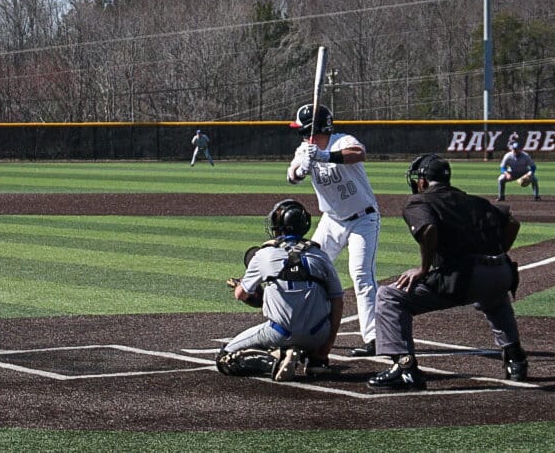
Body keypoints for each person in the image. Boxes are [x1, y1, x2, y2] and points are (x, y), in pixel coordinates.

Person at [368, 153, 528, 391]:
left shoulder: (419, 202)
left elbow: (429, 228)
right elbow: (512, 222)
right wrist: (499, 251)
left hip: (466, 278)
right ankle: (516, 358)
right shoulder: (475, 200)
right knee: (494, 298)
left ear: (422, 181)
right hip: (502, 274)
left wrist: (423, 268)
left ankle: (405, 368)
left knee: (389, 297)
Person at [286, 103, 379, 357]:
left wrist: (326, 157)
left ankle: (373, 338)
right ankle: (305, 328)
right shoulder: (305, 149)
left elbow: (359, 153)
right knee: (309, 269)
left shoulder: (342, 141)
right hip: (331, 221)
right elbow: (291, 177)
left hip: (363, 219)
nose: (302, 136)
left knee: (361, 275)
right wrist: (300, 168)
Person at [217, 199, 345, 381]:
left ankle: (274, 361)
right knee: (322, 298)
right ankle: (315, 361)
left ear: (279, 226)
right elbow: (338, 301)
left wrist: (241, 285)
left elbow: (242, 294)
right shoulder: (320, 255)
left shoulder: (264, 254)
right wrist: (326, 346)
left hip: (280, 333)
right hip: (318, 335)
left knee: (224, 359)